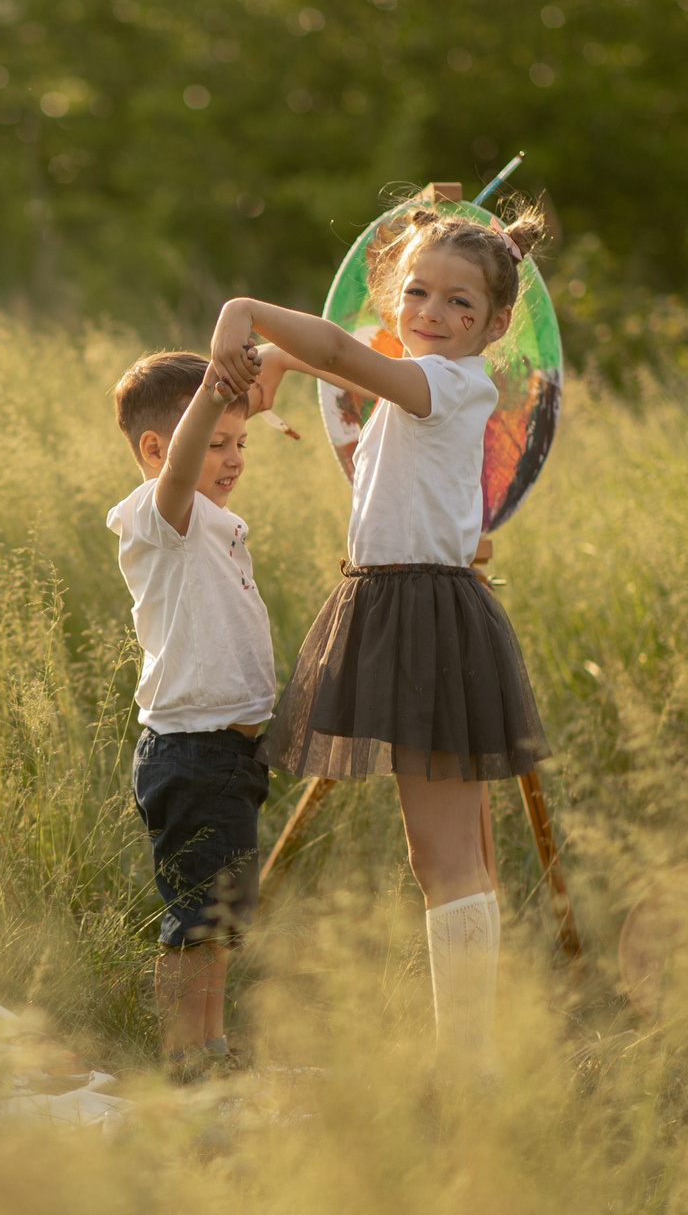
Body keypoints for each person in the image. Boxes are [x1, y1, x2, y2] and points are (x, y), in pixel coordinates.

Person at [208, 204, 552, 1083]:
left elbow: (345, 350)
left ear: (497, 326)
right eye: (417, 291)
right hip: (404, 603)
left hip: (422, 613)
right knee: (447, 852)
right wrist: (280, 358)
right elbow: (357, 356)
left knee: (444, 856)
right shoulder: (430, 376)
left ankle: (467, 1063)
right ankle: (471, 1056)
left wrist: (243, 314)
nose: (431, 313)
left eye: (459, 305)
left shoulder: (451, 385)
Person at [107, 350, 276, 1082]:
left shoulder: (211, 519)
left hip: (230, 757)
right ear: (158, 449)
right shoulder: (162, 511)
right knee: (192, 924)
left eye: (241, 442)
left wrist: (281, 358)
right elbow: (185, 457)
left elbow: (257, 392)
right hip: (189, 752)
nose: (233, 457)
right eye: (216, 443)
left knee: (220, 924)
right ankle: (184, 1062)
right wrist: (221, 364)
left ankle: (210, 1049)